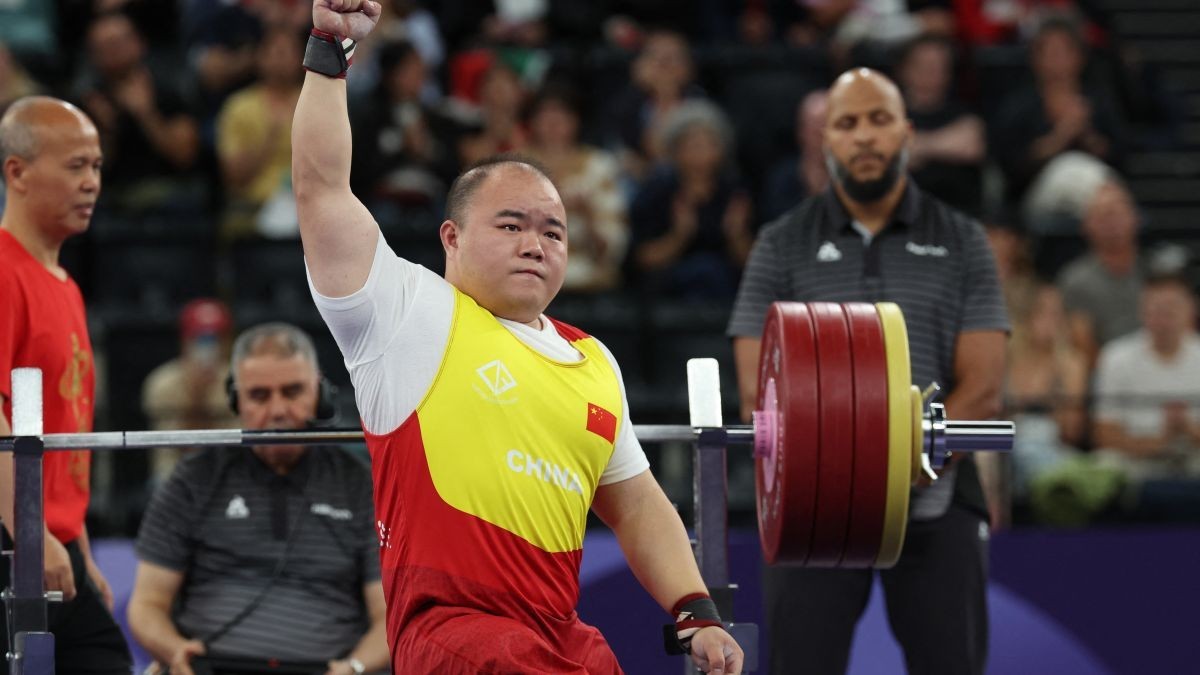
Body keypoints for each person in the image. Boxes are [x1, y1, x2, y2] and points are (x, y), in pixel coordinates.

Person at [290, 2, 743, 673]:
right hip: (456, 633)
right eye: (510, 225)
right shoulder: (405, 310)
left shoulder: (592, 361)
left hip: (559, 634)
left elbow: (638, 501)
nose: (536, 244)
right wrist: (330, 47)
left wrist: (695, 608)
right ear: (451, 237)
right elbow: (323, 189)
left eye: (552, 231)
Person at [727, 68, 1009, 675]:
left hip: (936, 496)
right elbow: (759, 388)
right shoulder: (780, 243)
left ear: (906, 131)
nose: (864, 137)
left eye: (879, 119)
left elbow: (983, 388)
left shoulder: (963, 240)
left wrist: (899, 464)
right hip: (813, 510)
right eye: (847, 123)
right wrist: (849, 469)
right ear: (824, 140)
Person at [128, 322, 389, 675]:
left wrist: (355, 667)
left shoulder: (361, 486)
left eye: (292, 391)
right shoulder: (193, 479)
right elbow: (147, 604)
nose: (278, 410)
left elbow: (388, 615)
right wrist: (174, 651)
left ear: (320, 394)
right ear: (236, 400)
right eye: (260, 395)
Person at [0, 96, 132, 673]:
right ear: (17, 172)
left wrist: (77, 545)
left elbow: (63, 430)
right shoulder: (3, 271)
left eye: (97, 167)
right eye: (76, 166)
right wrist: (30, 534)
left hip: (53, 542)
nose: (92, 183)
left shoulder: (65, 285)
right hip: (13, 540)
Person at [141, 298, 241, 483]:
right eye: (200, 339)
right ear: (184, 340)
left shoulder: (239, 381)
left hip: (228, 473)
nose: (208, 348)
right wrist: (195, 396)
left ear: (227, 342)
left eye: (215, 339)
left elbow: (234, 447)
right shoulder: (161, 382)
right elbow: (167, 449)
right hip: (173, 473)